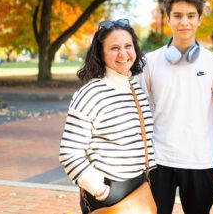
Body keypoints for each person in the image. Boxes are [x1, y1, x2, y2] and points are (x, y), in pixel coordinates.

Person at [138, 0, 213, 214]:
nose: (184, 22)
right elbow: (139, 111)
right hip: (159, 161)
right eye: (177, 15)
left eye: (190, 16)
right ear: (167, 19)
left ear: (199, 19)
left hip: (201, 161)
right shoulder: (149, 62)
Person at [59, 18, 155, 214]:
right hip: (106, 192)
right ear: (101, 54)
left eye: (128, 46)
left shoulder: (135, 89)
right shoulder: (90, 94)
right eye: (114, 48)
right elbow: (69, 152)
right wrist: (98, 188)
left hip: (139, 186)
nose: (123, 53)